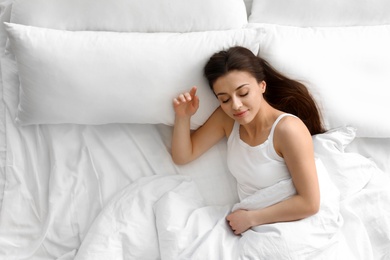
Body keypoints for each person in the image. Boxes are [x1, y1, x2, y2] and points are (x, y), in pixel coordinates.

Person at [171, 46, 326, 236]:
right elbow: (183, 156)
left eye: (243, 93)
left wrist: (251, 218)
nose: (236, 105)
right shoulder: (227, 119)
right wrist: (182, 117)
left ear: (262, 86)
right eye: (225, 99)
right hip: (251, 225)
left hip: (289, 221)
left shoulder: (288, 130)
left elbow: (310, 203)